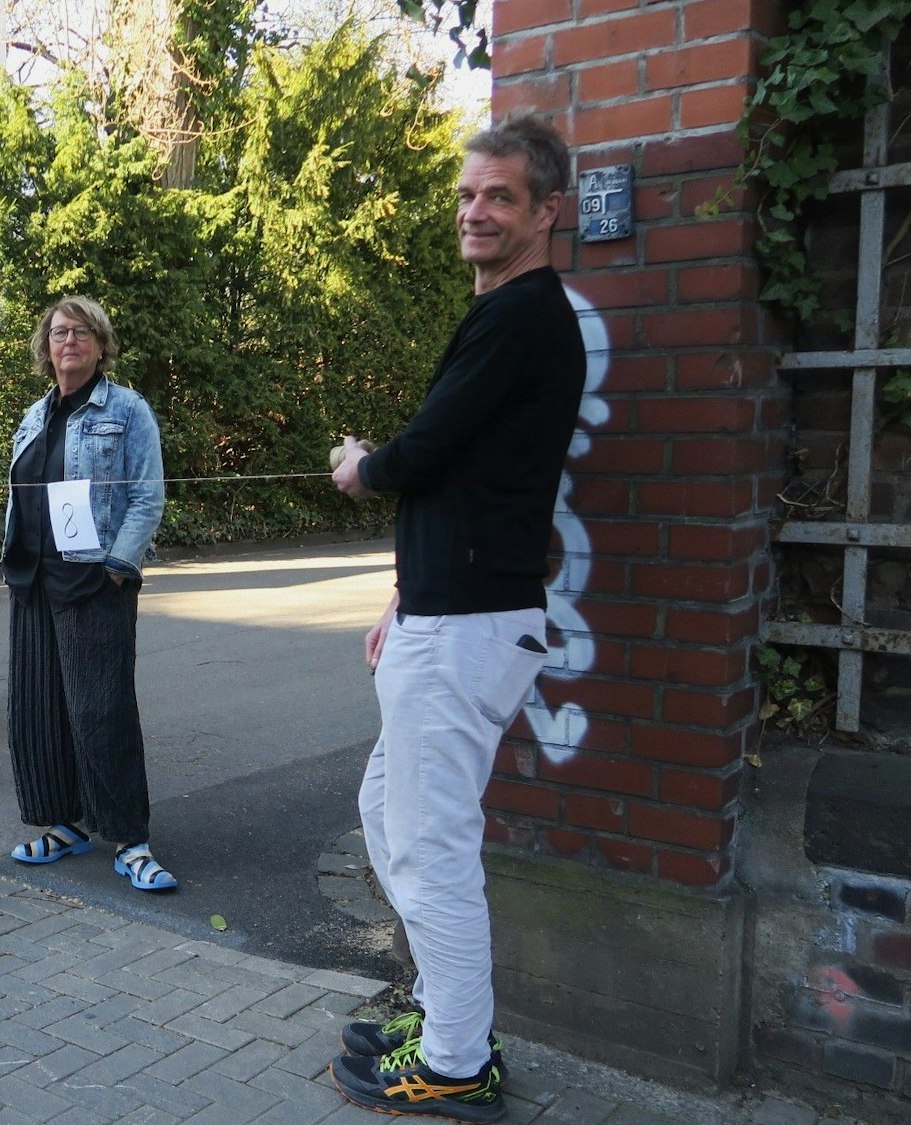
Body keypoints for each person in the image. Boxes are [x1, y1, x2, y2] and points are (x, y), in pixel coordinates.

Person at [326, 112, 583, 1123]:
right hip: (445, 615)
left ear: (544, 212)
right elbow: (474, 478)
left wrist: (359, 468)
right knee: (385, 816)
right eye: (467, 195)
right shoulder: (506, 318)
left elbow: (423, 453)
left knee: (430, 851)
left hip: (466, 631)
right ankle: (444, 1010)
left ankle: (453, 1060)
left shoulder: (521, 314)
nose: (474, 212)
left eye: (499, 197)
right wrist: (404, 594)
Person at [1, 297, 174, 893]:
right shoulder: (34, 413)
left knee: (103, 709)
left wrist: (120, 569)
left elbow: (148, 495)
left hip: (94, 580)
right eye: (57, 332)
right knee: (40, 711)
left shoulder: (126, 409)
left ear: (101, 345)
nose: (67, 341)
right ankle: (65, 823)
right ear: (44, 347)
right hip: (35, 583)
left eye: (80, 332)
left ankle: (130, 837)